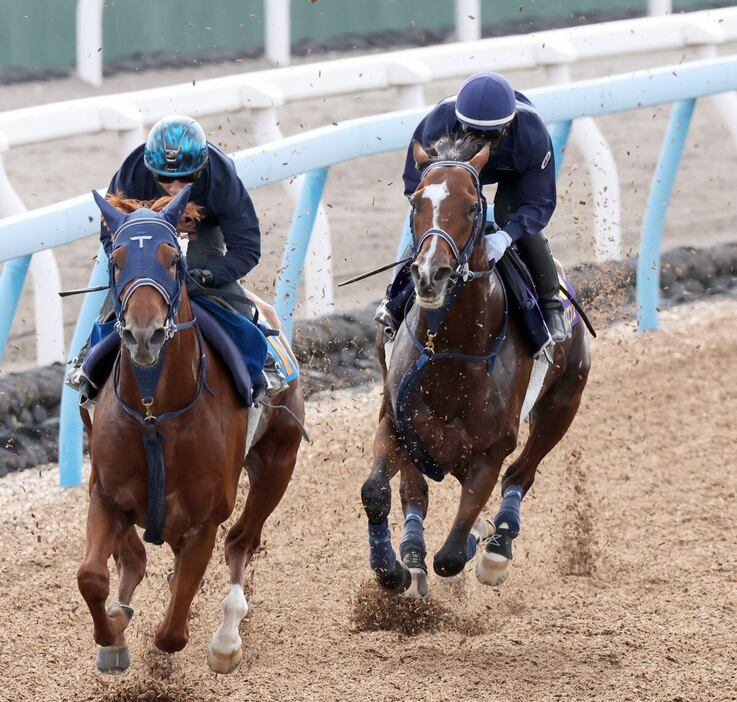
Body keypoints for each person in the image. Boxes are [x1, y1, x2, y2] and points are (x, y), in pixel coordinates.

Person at [66, 114, 284, 399]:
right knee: (128, 287)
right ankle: (89, 357)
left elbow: (247, 248)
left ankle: (264, 363)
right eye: (166, 179)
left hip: (202, 230)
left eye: (189, 177)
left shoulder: (221, 177)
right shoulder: (133, 172)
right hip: (144, 233)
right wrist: (133, 260)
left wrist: (210, 275)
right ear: (151, 171)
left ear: (203, 167)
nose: (177, 187)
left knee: (218, 286)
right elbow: (111, 237)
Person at [376, 71, 570, 343]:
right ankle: (395, 302)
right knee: (436, 222)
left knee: (507, 215)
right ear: (458, 121)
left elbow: (539, 202)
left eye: (491, 135)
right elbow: (415, 185)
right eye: (472, 132)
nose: (481, 140)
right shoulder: (438, 122)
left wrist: (505, 237)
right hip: (452, 170)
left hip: (512, 175)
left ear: (509, 124)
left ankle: (550, 304)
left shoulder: (532, 132)